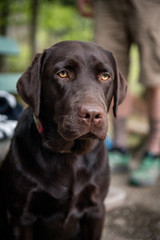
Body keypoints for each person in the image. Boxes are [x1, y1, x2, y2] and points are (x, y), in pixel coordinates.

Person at [77, 0, 160, 186]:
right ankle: (119, 149)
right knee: (109, 73)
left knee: (155, 74)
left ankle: (154, 153)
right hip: (107, 4)